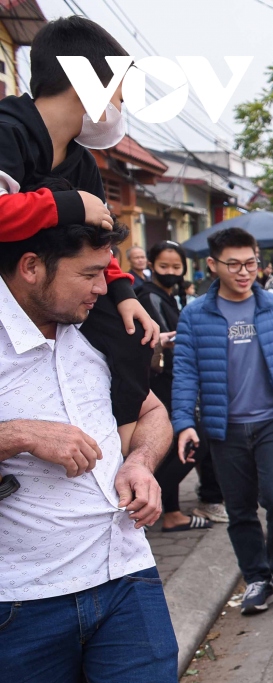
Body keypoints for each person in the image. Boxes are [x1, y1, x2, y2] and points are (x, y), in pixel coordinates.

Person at [0, 218, 195, 683]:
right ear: (31, 268)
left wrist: (141, 460)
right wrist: (18, 434)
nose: (105, 287)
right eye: (89, 274)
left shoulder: (98, 333)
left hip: (125, 581)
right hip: (21, 602)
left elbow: (151, 412)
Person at [0, 17, 161, 444]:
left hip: (58, 287)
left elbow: (100, 244)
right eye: (119, 96)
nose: (119, 110)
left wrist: (123, 294)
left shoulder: (82, 162)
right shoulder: (7, 131)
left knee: (133, 338)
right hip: (12, 293)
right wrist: (68, 204)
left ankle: (120, 447)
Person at [171, 227, 273, 615]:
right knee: (239, 509)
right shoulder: (196, 314)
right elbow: (185, 371)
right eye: (233, 264)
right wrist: (184, 422)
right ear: (213, 265)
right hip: (225, 427)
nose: (243, 272)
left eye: (250, 263)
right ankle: (256, 579)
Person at [137, 240, 211, 533]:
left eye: (176, 267)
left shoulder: (169, 295)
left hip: (173, 381)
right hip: (161, 385)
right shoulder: (147, 296)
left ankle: (171, 511)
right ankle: (151, 502)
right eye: (164, 266)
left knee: (177, 445)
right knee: (190, 442)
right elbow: (156, 342)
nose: (171, 272)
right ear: (151, 265)